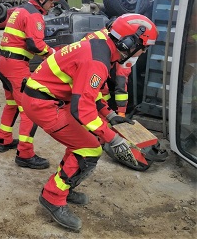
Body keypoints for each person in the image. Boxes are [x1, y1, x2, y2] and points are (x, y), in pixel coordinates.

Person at [21, 13, 159, 231]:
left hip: (49, 98)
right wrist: (113, 139)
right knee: (90, 148)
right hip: (45, 104)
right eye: (144, 47)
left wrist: (110, 114)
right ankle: (53, 196)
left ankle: (64, 186)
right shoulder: (98, 60)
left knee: (83, 143)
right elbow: (82, 109)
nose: (142, 53)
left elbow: (86, 91)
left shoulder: (101, 45)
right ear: (130, 42)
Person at [0, 0, 59, 169]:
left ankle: (4, 139)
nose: (52, 6)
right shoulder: (34, 15)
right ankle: (25, 154)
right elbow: (35, 45)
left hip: (2, 62)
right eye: (52, 2)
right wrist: (53, 55)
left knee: (12, 104)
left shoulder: (20, 10)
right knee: (29, 110)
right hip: (16, 66)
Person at [82, 26, 132, 116]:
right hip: (91, 68)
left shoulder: (104, 35)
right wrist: (121, 112)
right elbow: (121, 81)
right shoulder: (120, 49)